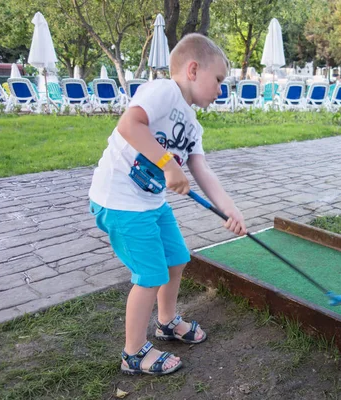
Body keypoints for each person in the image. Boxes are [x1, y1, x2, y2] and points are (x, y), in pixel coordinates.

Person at [88, 33, 247, 376]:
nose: (222, 90)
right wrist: (168, 164)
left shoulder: (193, 124)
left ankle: (165, 321)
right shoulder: (163, 91)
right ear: (193, 69)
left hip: (150, 202)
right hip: (119, 201)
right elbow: (129, 124)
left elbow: (201, 169)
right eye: (218, 80)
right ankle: (133, 353)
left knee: (177, 258)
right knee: (150, 274)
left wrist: (230, 210)